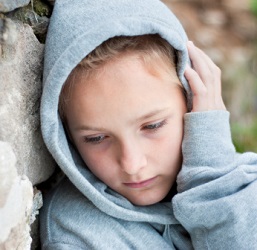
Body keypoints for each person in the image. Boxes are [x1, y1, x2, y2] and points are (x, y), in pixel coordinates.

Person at [40, 0, 257, 249]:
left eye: (152, 126)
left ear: (191, 100)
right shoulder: (77, 235)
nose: (132, 165)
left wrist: (214, 178)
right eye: (96, 138)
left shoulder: (242, 184)